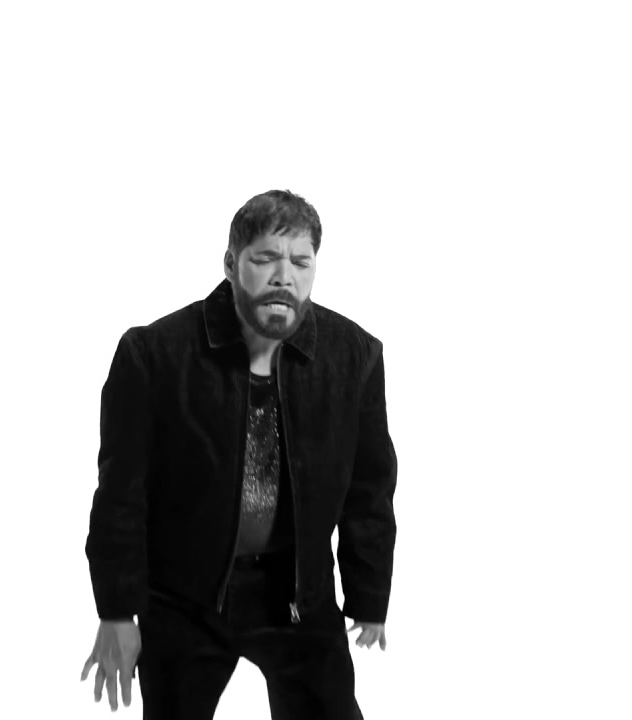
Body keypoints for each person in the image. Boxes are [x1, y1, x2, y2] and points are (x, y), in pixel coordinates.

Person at [80, 189, 397, 719]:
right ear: (231, 264)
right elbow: (120, 495)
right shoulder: (154, 355)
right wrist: (116, 611)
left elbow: (370, 488)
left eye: (300, 262)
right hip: (184, 599)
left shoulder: (354, 356)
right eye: (265, 258)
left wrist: (369, 594)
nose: (284, 277)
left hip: (299, 595)